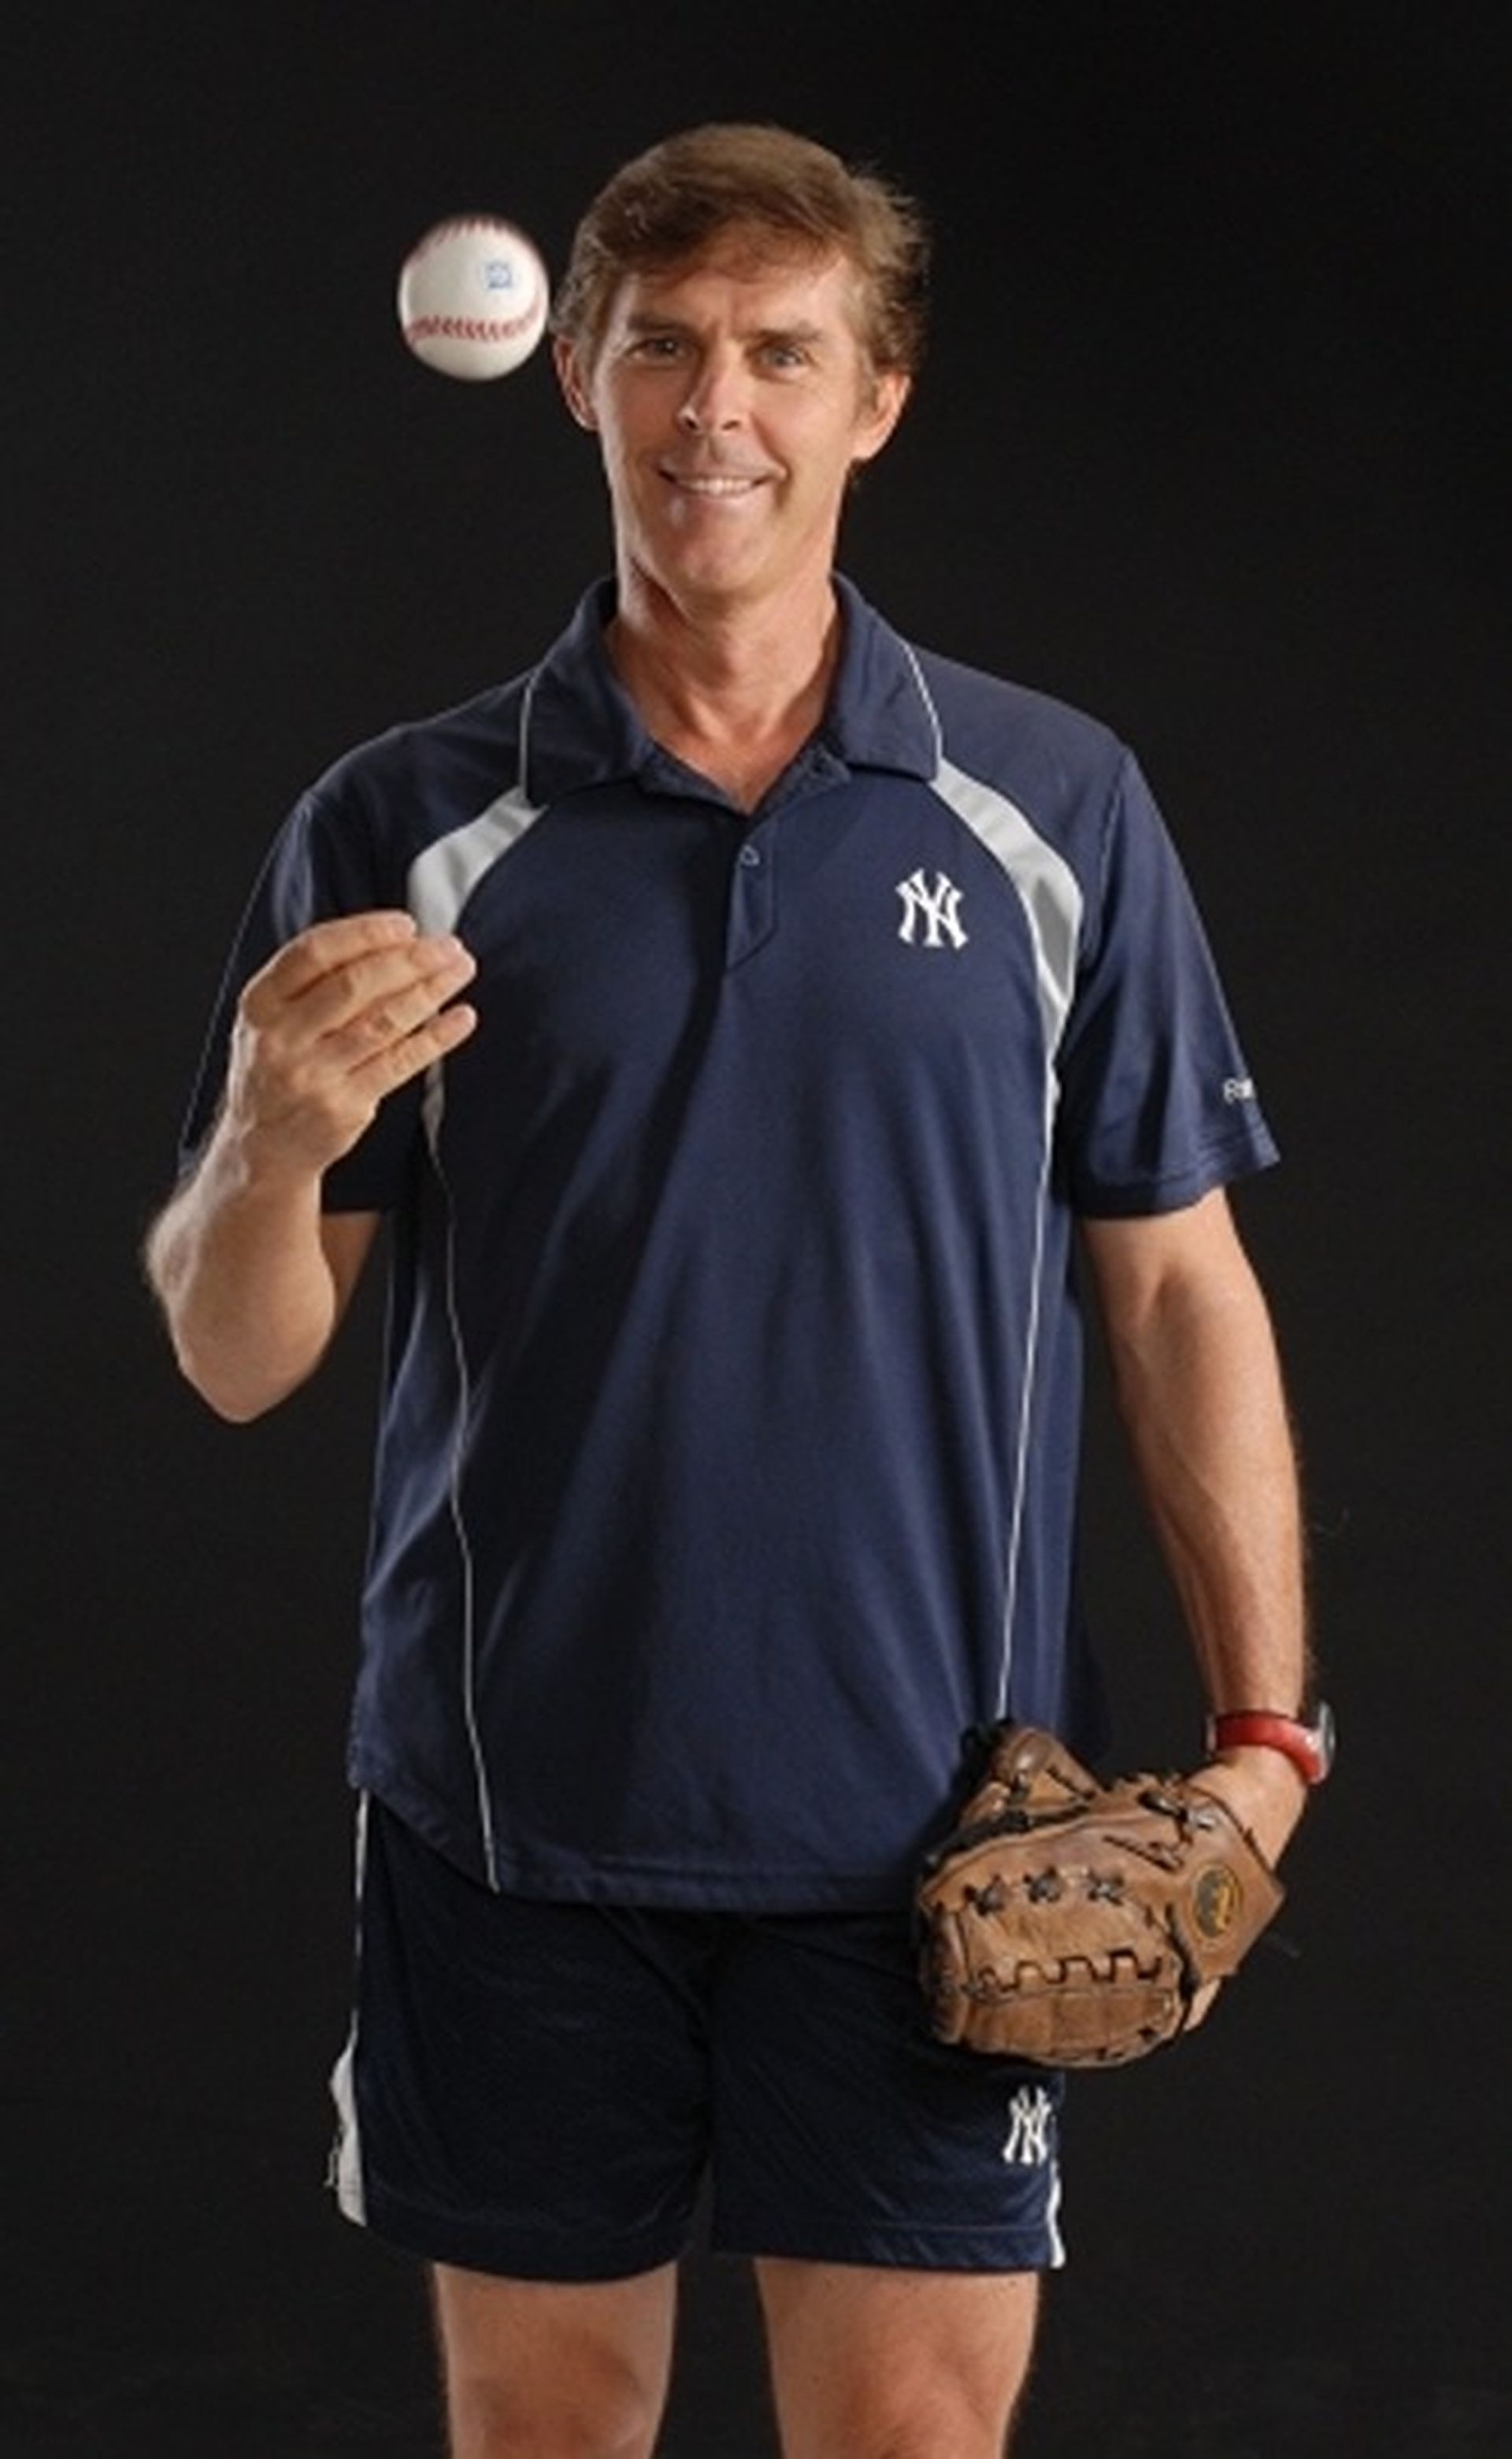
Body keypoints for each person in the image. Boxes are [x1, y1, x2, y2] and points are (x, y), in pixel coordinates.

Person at [146, 122, 1320, 2459]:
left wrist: (1269, 1734)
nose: (719, 411)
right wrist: (270, 1144)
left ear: (875, 398)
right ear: (574, 371)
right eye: (664, 348)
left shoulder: (1050, 810)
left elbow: (1179, 1281)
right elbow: (239, 1348)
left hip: (940, 1828)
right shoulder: (407, 823)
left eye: (783, 352)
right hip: (512, 1816)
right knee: (546, 2442)